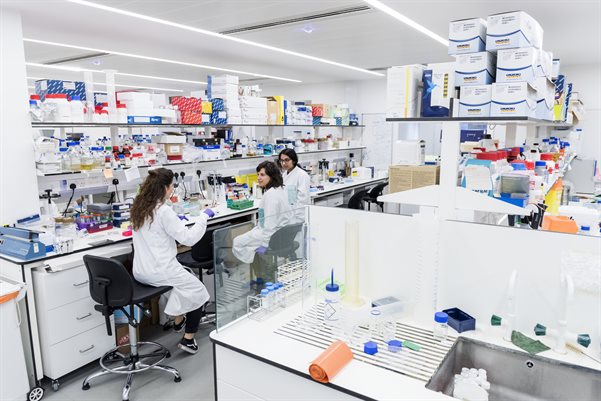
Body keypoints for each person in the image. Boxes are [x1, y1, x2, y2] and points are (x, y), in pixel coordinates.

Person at [131, 168, 214, 354]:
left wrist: (176, 221)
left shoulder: (139, 207)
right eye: (172, 187)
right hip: (160, 270)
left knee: (186, 277)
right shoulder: (163, 210)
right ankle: (188, 339)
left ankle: (178, 320)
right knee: (198, 292)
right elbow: (189, 239)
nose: (172, 190)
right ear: (165, 188)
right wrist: (203, 217)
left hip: (141, 272)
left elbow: (156, 231)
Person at [233, 161, 292, 279]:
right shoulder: (280, 189)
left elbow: (270, 224)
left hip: (273, 236)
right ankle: (263, 270)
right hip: (282, 233)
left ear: (272, 176)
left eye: (262, 175)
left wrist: (265, 245)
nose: (258, 178)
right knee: (249, 245)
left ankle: (263, 272)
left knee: (237, 242)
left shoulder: (271, 195)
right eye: (258, 174)